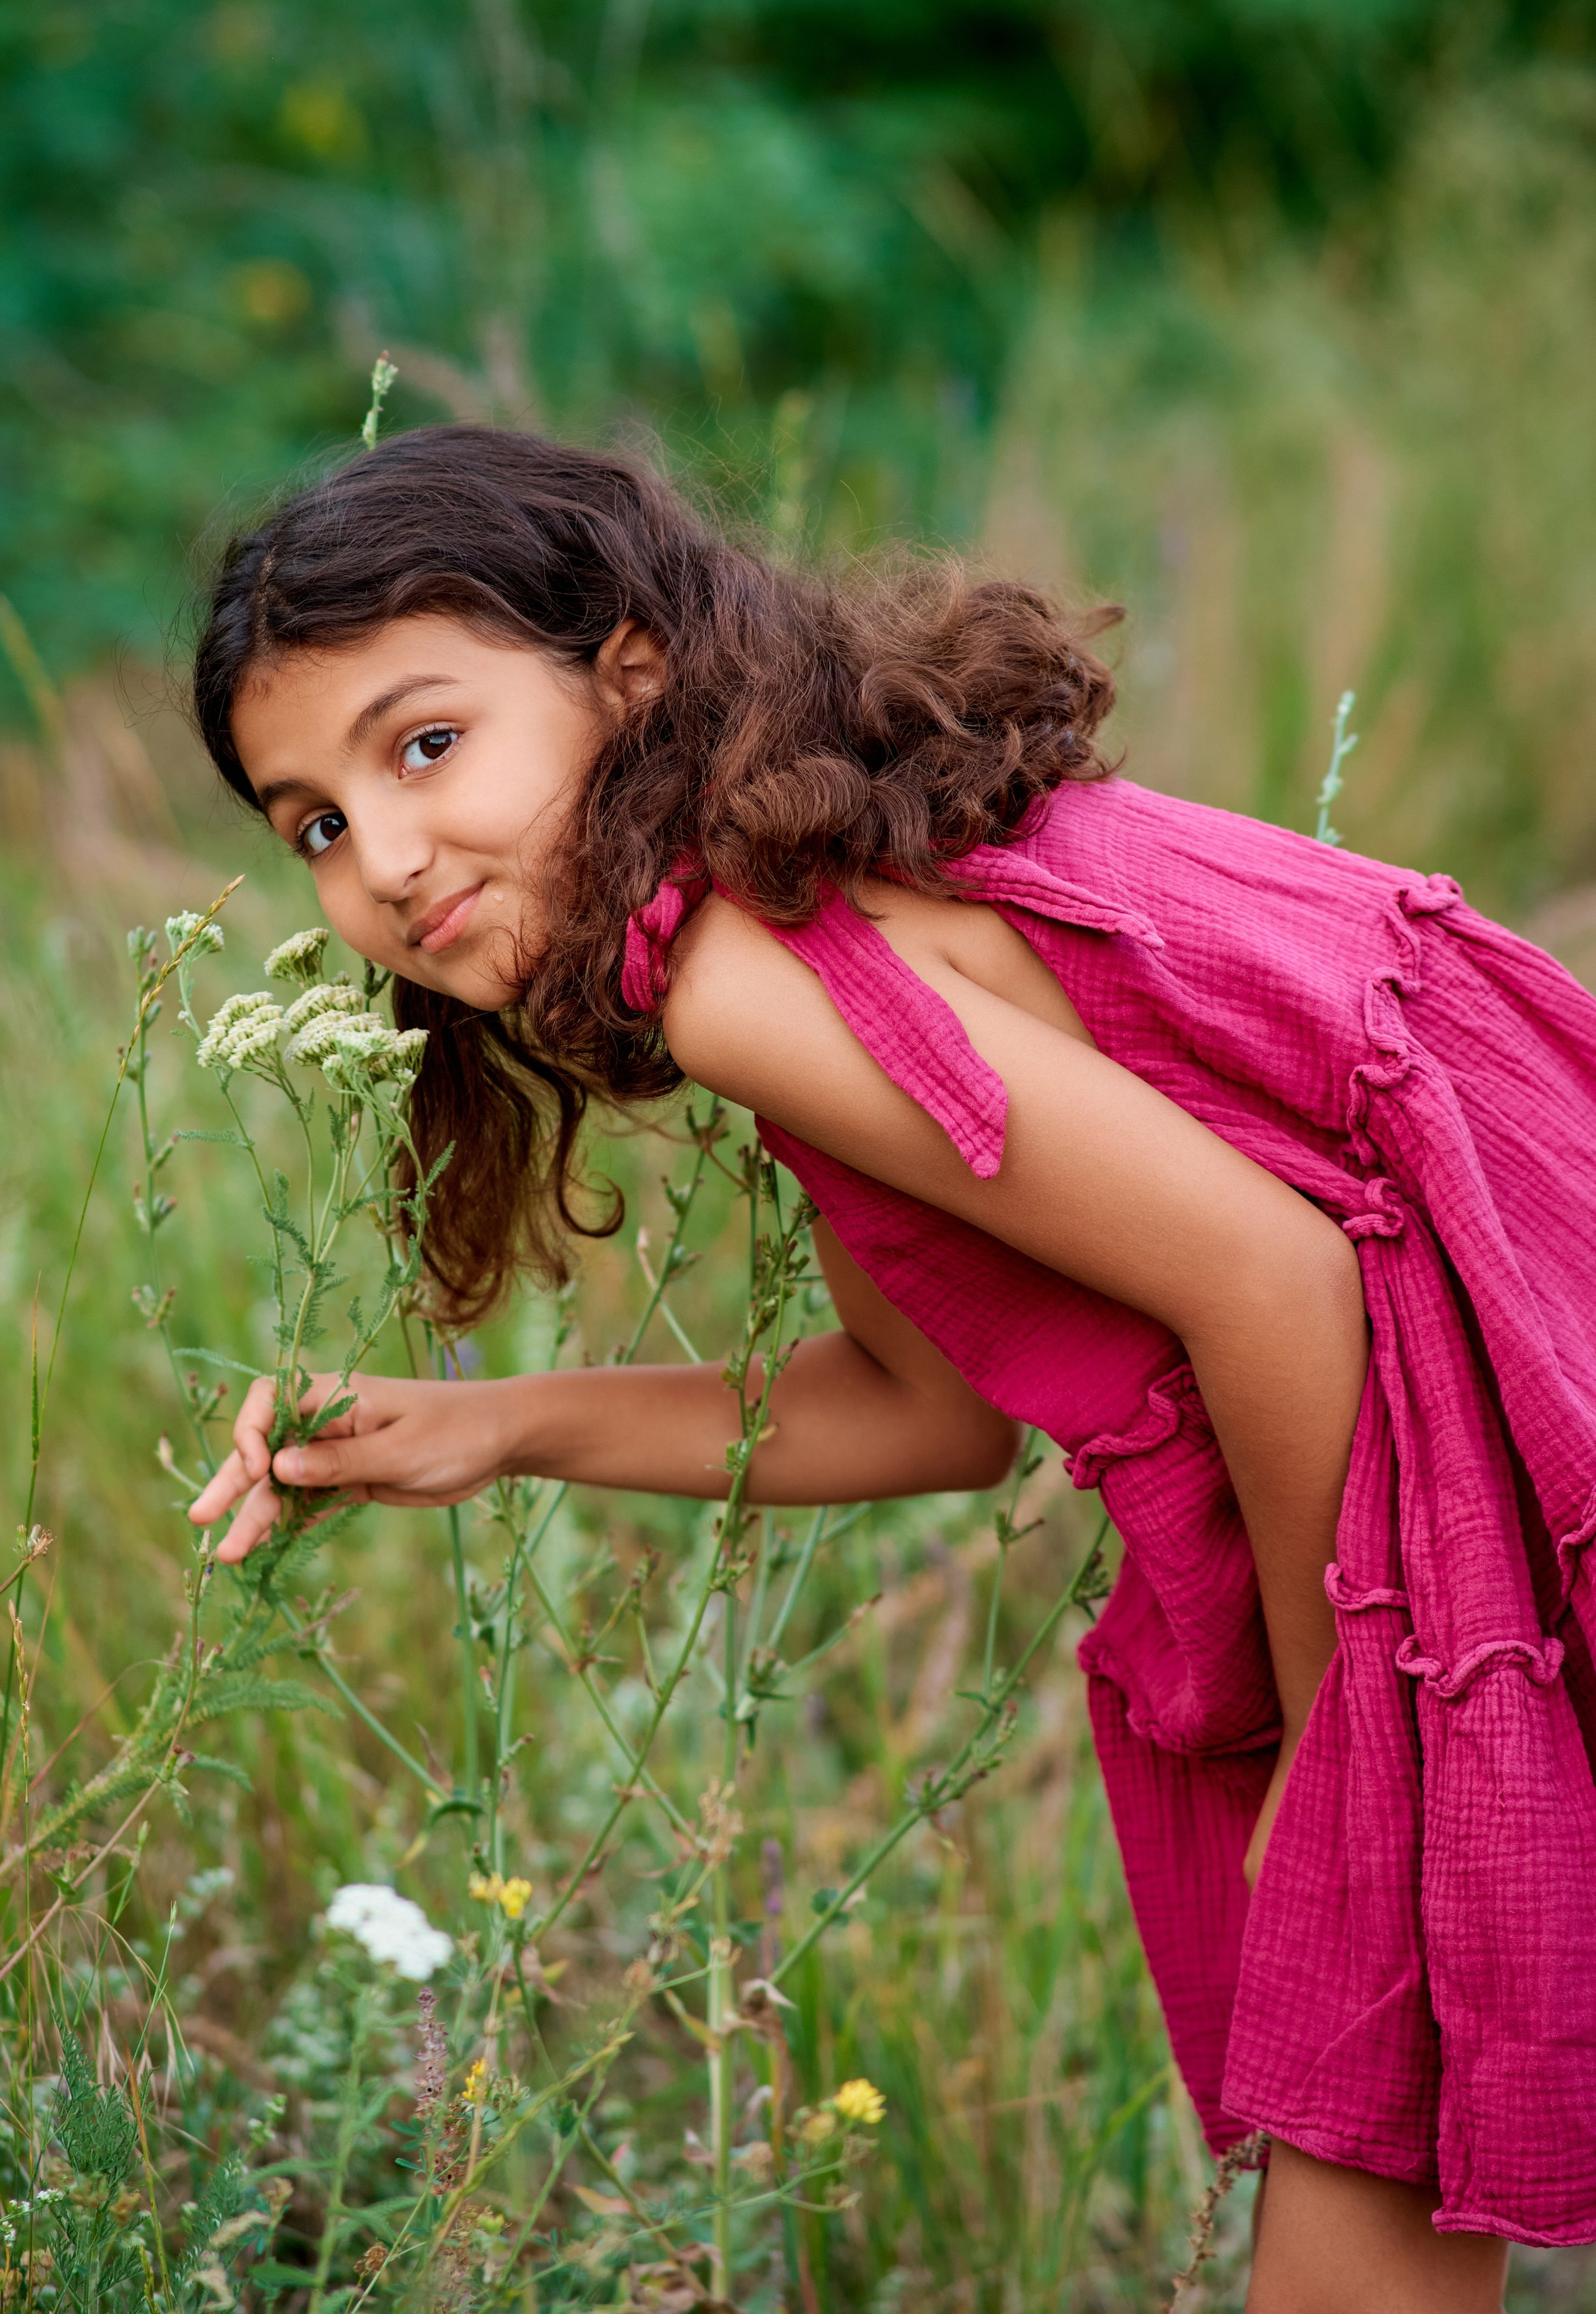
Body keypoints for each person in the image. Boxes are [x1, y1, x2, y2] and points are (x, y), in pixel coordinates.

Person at [188, 424, 1596, 2311]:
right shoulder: (776, 896)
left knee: (1367, 2163)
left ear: (631, 670)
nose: (387, 860)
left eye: (424, 744)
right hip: (1482, 1343)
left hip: (1483, 1356)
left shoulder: (737, 966)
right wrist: (493, 1424)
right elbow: (922, 1414)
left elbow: (1275, 1280)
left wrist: (1327, 1730)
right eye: (316, 825)